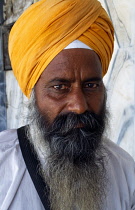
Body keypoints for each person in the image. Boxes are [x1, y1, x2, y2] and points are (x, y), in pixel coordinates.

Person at [0, 0, 135, 209]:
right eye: (59, 87)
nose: (79, 106)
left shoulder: (125, 171)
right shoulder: (4, 166)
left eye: (90, 85)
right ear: (33, 92)